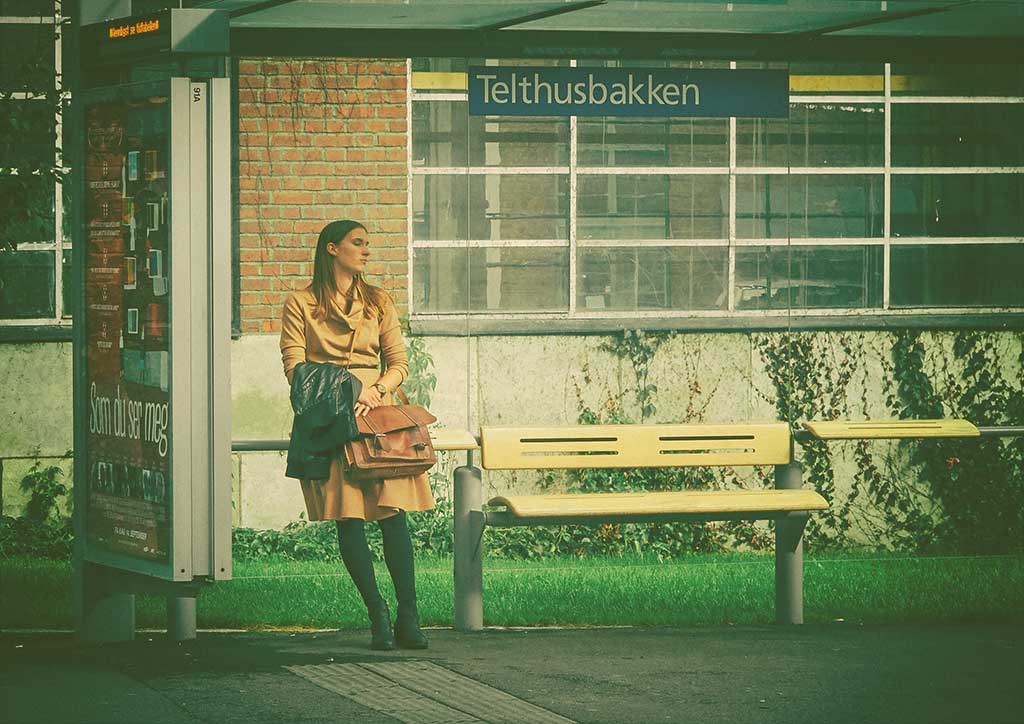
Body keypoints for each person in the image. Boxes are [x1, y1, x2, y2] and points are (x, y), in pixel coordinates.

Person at [279, 219, 434, 650]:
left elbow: (399, 362)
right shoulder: (301, 303)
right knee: (349, 517)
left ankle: (409, 614)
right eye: (358, 244)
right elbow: (294, 367)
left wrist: (379, 389)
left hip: (379, 416)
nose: (366, 252)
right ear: (332, 249)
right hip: (332, 417)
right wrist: (351, 390)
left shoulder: (379, 301)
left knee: (392, 514)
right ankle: (377, 614)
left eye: (368, 244)